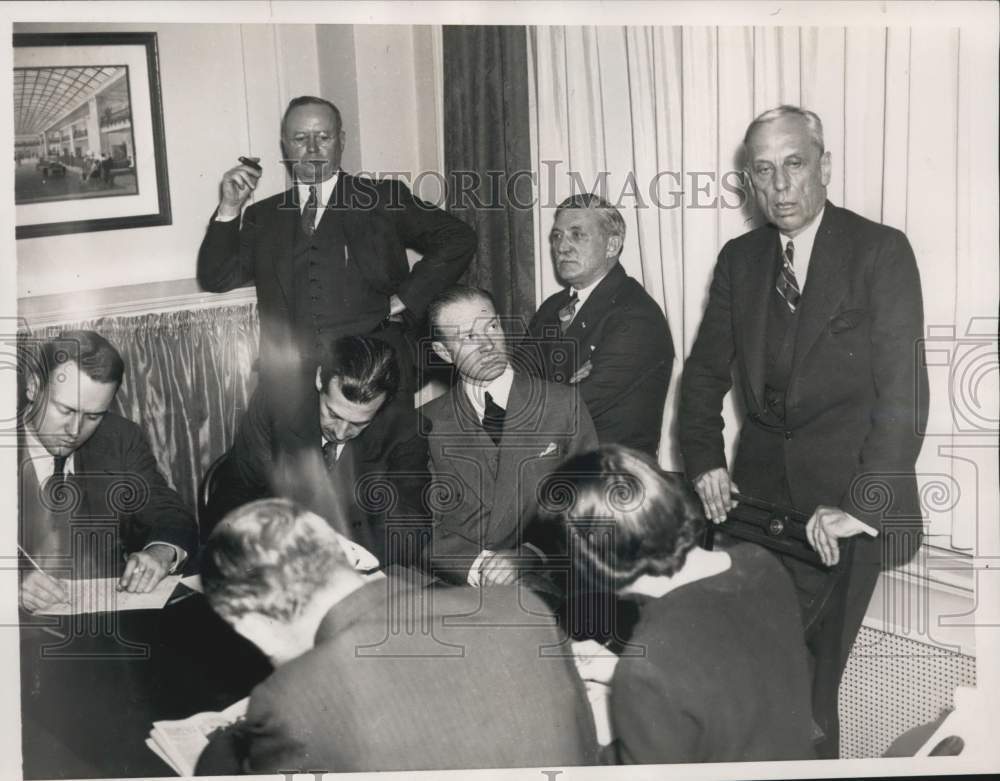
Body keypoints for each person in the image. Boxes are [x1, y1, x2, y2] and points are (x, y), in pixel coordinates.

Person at [678, 105, 928, 758]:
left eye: (794, 164)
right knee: (735, 675)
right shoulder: (740, 259)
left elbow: (904, 397)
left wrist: (862, 506)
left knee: (807, 699)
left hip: (845, 508)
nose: (780, 185)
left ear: (824, 166)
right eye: (763, 170)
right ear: (750, 182)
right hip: (758, 507)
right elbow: (702, 375)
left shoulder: (879, 251)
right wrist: (705, 459)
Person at [195, 498, 599, 773]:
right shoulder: (521, 609)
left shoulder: (293, 698)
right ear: (343, 554)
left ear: (251, 624)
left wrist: (226, 747)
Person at [534, 445, 815, 764]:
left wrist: (603, 726)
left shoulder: (649, 667)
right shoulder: (762, 564)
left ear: (595, 566)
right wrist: (621, 672)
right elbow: (731, 685)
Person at [197, 95, 477, 395]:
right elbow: (216, 278)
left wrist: (405, 298)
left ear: (341, 140)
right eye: (301, 138)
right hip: (292, 384)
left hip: (377, 372)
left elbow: (458, 238)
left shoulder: (382, 198)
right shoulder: (262, 216)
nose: (313, 149)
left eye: (324, 137)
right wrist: (229, 207)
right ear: (285, 146)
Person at [422, 285, 598, 585]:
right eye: (468, 337)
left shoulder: (561, 404)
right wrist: (478, 567)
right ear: (443, 352)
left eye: (492, 327)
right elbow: (422, 523)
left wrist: (530, 554)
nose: (488, 345)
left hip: (551, 579)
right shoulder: (428, 422)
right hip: (461, 582)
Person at [204, 335, 429, 569]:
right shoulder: (275, 406)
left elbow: (410, 526)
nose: (341, 433)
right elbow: (235, 490)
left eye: (359, 423)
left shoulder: (406, 431)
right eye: (333, 414)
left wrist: (341, 553)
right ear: (320, 379)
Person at [17, 330, 197, 611]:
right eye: (65, 410)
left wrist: (160, 552)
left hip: (110, 624)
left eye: (93, 416)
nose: (75, 431)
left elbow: (170, 513)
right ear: (33, 386)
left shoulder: (119, 438)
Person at [527, 194, 674, 458]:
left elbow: (573, 408)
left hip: (611, 479)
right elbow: (518, 385)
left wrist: (549, 389)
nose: (562, 247)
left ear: (612, 245)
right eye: (557, 236)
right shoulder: (551, 308)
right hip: (552, 473)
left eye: (577, 235)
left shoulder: (637, 315)